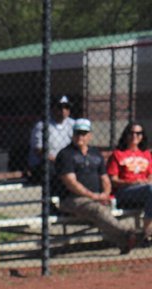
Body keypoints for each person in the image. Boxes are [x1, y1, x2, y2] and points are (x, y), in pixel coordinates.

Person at [55, 118, 140, 254]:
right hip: (72, 199)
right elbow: (71, 182)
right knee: (98, 211)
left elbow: (105, 178)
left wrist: (105, 194)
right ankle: (128, 233)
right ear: (72, 135)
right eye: (77, 133)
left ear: (90, 136)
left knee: (101, 211)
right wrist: (93, 196)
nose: (80, 137)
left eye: (83, 133)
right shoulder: (65, 154)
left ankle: (124, 242)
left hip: (96, 198)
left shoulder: (95, 153)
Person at [106, 121, 152, 243]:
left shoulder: (146, 154)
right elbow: (113, 180)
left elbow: (151, 175)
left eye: (138, 133)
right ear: (126, 135)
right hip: (124, 192)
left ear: (142, 136)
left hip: (145, 190)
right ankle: (147, 233)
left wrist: (146, 181)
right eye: (131, 133)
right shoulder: (117, 154)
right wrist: (133, 183)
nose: (134, 136)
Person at [28, 95, 75, 186]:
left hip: (66, 162)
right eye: (60, 107)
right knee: (50, 168)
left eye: (66, 107)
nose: (63, 110)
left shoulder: (73, 124)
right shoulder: (41, 125)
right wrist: (58, 160)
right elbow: (38, 151)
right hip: (46, 163)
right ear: (52, 109)